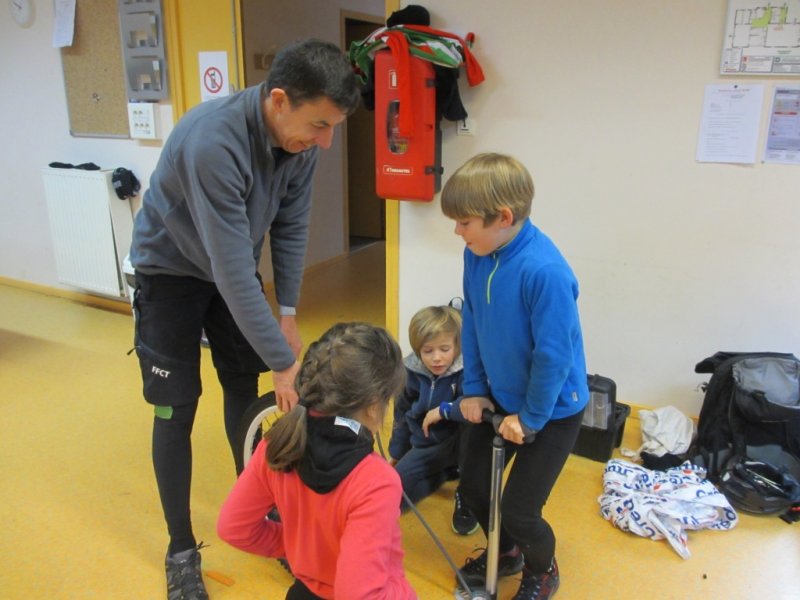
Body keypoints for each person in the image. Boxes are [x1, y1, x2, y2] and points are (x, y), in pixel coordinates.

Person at [128, 39, 361, 599]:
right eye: (320, 124)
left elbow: (289, 227)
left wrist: (286, 313)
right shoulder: (213, 142)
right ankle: (180, 548)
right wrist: (287, 363)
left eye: (334, 127)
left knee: (242, 384)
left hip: (226, 267)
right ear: (279, 100)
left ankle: (251, 507)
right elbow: (232, 271)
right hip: (171, 272)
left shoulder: (299, 146)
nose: (325, 142)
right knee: (175, 407)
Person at [440, 153, 589, 600]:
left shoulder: (545, 272)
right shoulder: (478, 253)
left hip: (553, 409)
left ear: (502, 217)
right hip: (499, 398)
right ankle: (506, 553)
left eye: (464, 222)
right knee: (473, 488)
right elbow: (475, 324)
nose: (457, 232)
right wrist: (474, 389)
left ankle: (542, 571)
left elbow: (554, 357)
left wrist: (530, 418)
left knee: (521, 510)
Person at [217, 322, 418, 600]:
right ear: (374, 405)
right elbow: (359, 594)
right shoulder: (376, 480)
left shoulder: (278, 443)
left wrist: (297, 546)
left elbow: (233, 527)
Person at [387, 305, 478, 535]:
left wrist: (444, 410)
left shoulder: (467, 370)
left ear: (457, 345)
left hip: (460, 443)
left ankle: (467, 496)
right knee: (394, 490)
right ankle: (443, 472)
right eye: (428, 351)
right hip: (427, 444)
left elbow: (474, 405)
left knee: (474, 437)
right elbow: (402, 414)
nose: (437, 358)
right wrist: (397, 452)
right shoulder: (410, 373)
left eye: (444, 349)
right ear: (418, 351)